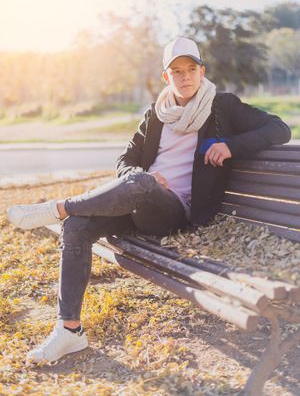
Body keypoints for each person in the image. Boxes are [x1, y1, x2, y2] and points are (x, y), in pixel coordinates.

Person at [7, 36, 291, 364]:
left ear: (202, 71)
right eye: (176, 71)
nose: (184, 76)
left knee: (135, 184)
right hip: (139, 200)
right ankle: (69, 331)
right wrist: (142, 178)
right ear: (165, 77)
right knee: (78, 225)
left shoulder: (222, 106)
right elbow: (125, 161)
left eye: (191, 69)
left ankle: (56, 208)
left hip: (176, 211)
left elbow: (279, 129)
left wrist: (231, 146)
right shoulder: (156, 114)